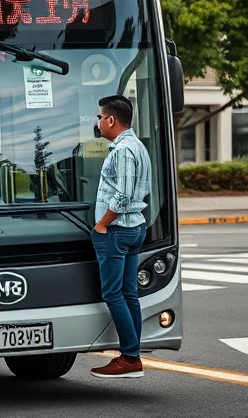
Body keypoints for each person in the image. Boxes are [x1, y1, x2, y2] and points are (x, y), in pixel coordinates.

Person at [89, 95, 151, 378]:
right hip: (134, 227)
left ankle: (129, 357)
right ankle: (132, 354)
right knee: (129, 293)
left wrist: (102, 224)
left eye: (100, 117)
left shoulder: (123, 150)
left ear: (111, 120)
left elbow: (123, 196)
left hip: (118, 230)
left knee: (113, 293)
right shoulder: (138, 146)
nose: (98, 122)